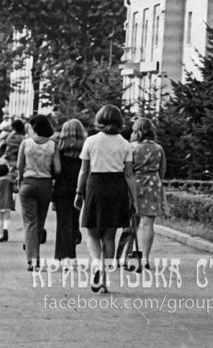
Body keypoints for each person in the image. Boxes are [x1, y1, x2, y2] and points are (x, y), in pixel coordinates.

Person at [74, 105, 136, 294]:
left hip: (96, 186)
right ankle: (105, 281)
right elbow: (129, 175)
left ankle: (96, 265)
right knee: (109, 236)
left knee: (92, 233)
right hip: (117, 188)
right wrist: (134, 199)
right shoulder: (125, 144)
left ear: (99, 120)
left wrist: (78, 192)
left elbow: (84, 170)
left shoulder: (91, 141)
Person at [18, 114, 60, 270]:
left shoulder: (25, 143)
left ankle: (32, 260)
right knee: (40, 222)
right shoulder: (52, 145)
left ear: (34, 127)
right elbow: (58, 169)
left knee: (30, 223)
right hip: (45, 185)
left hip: (28, 184)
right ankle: (37, 256)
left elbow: (19, 166)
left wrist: (20, 179)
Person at [130, 118, 166, 269]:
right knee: (148, 224)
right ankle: (145, 258)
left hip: (136, 184)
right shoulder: (159, 148)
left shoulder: (133, 148)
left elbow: (128, 169)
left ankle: (129, 253)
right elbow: (162, 171)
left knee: (133, 222)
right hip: (153, 185)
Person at [53, 118, 86, 260]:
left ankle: (63, 254)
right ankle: (71, 250)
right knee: (74, 220)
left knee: (62, 222)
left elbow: (56, 171)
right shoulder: (84, 151)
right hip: (78, 188)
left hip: (62, 188)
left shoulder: (59, 151)